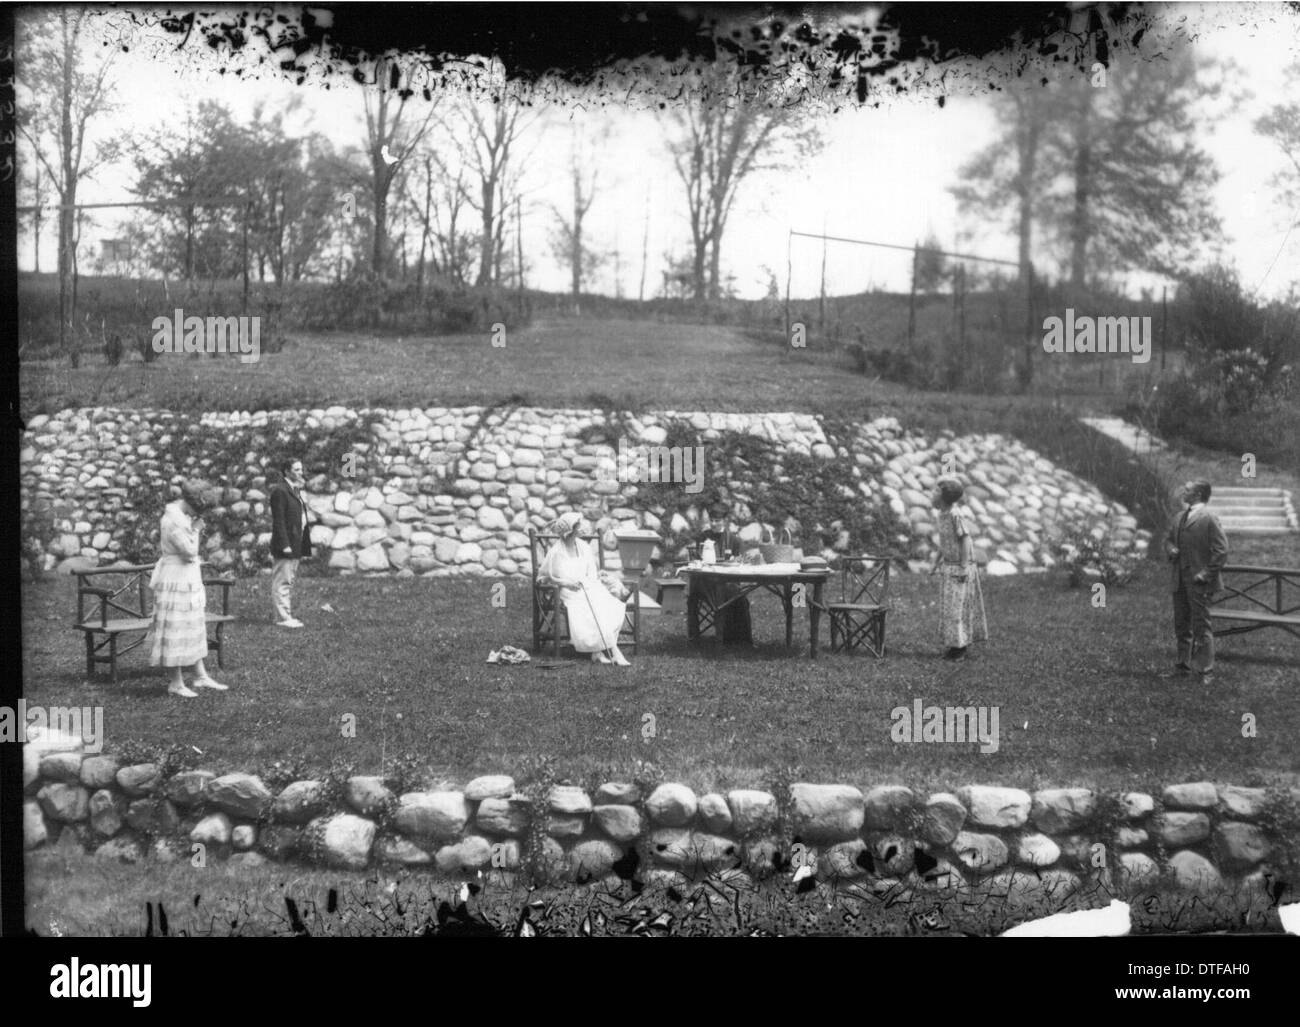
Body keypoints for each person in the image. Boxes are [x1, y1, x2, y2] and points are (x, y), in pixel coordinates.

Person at [150, 481, 227, 697]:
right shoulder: (172, 520)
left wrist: (192, 526)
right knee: (176, 627)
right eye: (197, 510)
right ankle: (175, 682)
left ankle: (200, 676)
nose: (197, 514)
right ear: (188, 503)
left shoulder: (183, 517)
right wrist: (196, 530)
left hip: (186, 578)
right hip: (175, 579)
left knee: (192, 625)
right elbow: (190, 552)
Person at [539, 511, 631, 665]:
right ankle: (613, 651)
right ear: (570, 530)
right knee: (587, 605)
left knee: (604, 602)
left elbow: (591, 572)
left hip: (586, 586)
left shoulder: (583, 546)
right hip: (567, 590)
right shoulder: (556, 552)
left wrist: (593, 582)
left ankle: (598, 651)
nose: (581, 528)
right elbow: (548, 577)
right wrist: (567, 584)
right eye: (578, 526)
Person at [1165, 479, 1229, 682]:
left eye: (1188, 489)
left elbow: (1221, 550)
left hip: (1199, 582)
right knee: (1182, 625)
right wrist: (1171, 549)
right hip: (1180, 580)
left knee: (1202, 626)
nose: (1184, 491)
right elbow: (1167, 540)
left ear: (1199, 494)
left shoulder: (1209, 517)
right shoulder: (1178, 517)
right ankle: (1182, 667)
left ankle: (1205, 671)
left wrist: (1206, 574)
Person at [930, 475, 989, 659]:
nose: (932, 494)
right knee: (949, 608)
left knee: (958, 609)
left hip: (960, 569)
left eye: (935, 491)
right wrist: (936, 562)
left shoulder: (955, 515)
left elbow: (965, 540)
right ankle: (954, 645)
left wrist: (964, 566)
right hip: (949, 568)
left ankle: (960, 648)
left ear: (944, 497)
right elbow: (945, 542)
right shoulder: (942, 515)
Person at [270, 458, 312, 628]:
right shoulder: (280, 491)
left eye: (301, 469)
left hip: (296, 541)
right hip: (285, 544)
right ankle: (282, 618)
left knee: (289, 580)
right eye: (296, 469)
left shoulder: (295, 490)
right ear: (286, 471)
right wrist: (284, 544)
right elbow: (278, 521)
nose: (300, 472)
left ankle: (285, 614)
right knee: (282, 581)